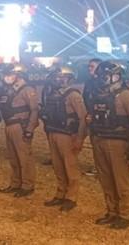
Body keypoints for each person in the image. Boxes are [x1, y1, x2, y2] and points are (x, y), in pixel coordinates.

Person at [87, 61, 129, 230]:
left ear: (117, 76)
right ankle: (112, 211)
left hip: (118, 142)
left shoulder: (126, 95)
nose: (102, 78)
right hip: (100, 139)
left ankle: (125, 214)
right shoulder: (98, 94)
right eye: (100, 75)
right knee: (106, 179)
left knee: (121, 180)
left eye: (106, 75)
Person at [40, 66, 88, 212]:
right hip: (54, 132)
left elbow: (83, 118)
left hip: (67, 135)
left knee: (70, 167)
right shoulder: (53, 94)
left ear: (70, 79)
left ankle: (71, 197)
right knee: (58, 166)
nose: (59, 80)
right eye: (57, 77)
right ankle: (61, 193)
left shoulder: (73, 95)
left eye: (63, 77)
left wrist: (79, 139)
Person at [0, 63, 39, 198]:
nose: (7, 77)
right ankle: (15, 183)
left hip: (20, 127)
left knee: (24, 157)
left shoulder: (27, 90)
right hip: (9, 125)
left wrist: (29, 129)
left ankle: (27, 185)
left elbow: (34, 110)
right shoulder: (9, 89)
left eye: (10, 74)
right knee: (13, 157)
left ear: (19, 75)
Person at [82, 58, 102, 177]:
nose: (89, 68)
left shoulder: (104, 82)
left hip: (102, 118)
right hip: (91, 117)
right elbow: (85, 98)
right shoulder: (89, 82)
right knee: (95, 142)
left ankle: (103, 167)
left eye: (92, 66)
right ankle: (98, 166)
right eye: (89, 66)